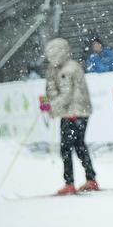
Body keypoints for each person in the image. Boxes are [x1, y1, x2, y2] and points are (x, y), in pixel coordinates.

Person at [43, 37, 98, 194]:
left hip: (75, 112)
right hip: (70, 112)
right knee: (78, 146)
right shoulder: (55, 69)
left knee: (67, 147)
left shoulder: (69, 69)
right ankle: (90, 178)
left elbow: (66, 94)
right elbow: (50, 89)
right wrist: (47, 103)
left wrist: (51, 106)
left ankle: (71, 182)